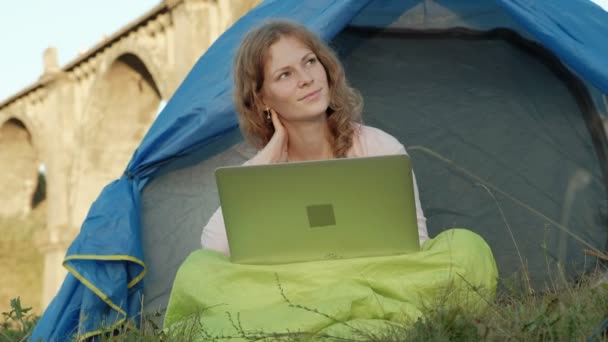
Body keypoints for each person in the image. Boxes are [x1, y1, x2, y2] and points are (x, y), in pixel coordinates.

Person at [164, 20, 497, 338]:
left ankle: (321, 318)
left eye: (310, 62)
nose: (306, 79)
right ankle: (342, 316)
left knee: (467, 249)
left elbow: (418, 246)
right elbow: (215, 247)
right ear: (263, 100)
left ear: (325, 67)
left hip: (374, 282)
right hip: (293, 288)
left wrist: (358, 276)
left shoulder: (379, 146)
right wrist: (267, 158)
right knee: (198, 269)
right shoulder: (262, 171)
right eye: (285, 74)